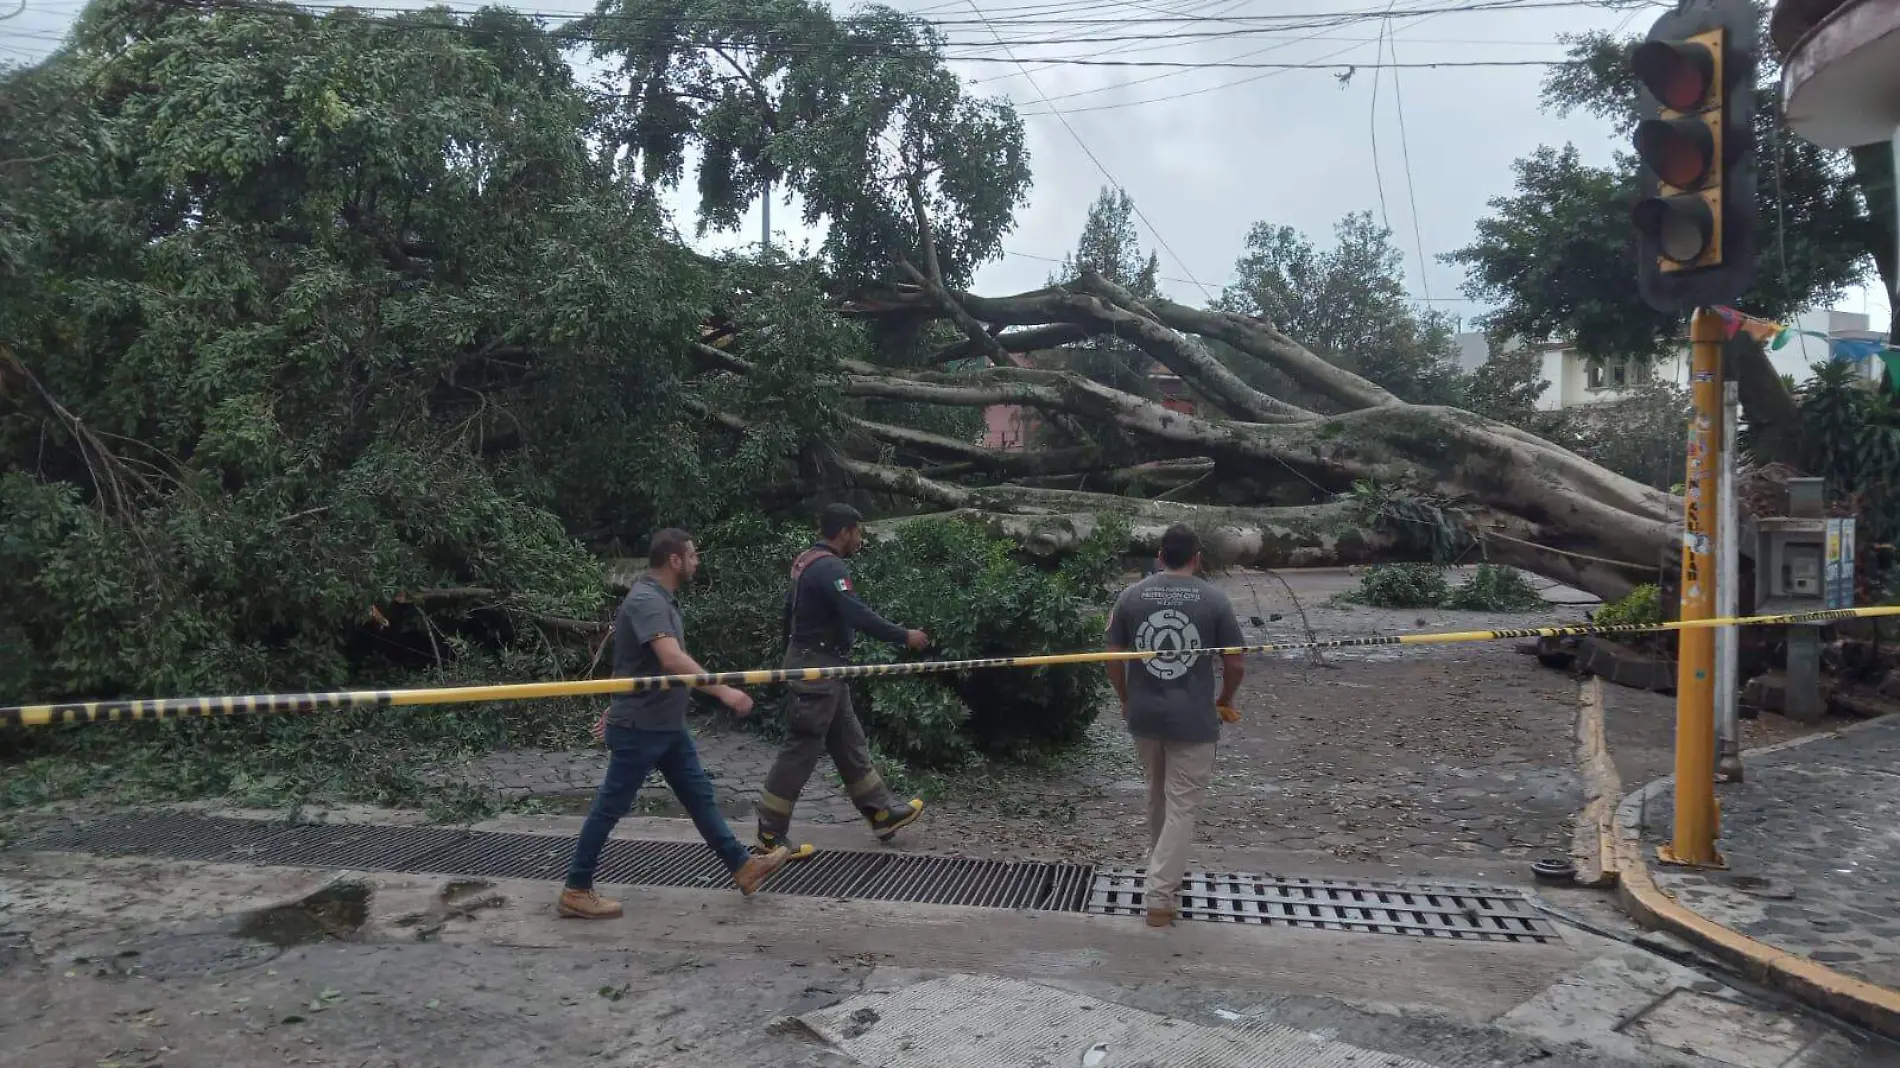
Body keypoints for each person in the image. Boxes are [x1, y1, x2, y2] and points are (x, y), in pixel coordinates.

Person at [557, 527, 791, 920]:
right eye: (694, 555)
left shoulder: (660, 600)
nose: (698, 561)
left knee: (700, 799)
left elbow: (629, 662)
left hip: (664, 725)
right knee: (609, 807)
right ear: (674, 560)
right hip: (643, 728)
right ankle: (576, 888)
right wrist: (724, 691)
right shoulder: (648, 600)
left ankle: (743, 867)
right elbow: (671, 659)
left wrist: (616, 701)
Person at [755, 503, 930, 855]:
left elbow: (786, 614)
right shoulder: (829, 567)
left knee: (848, 742)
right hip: (817, 669)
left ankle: (880, 813)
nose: (860, 539)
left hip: (821, 666)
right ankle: (770, 833)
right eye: (858, 532)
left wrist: (791, 657)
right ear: (845, 531)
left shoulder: (806, 560)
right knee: (801, 748)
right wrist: (903, 635)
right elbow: (856, 613)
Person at [1104, 524, 1246, 929]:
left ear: (1160, 555)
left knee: (1158, 798)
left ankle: (1164, 876)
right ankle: (1161, 894)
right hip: (1193, 718)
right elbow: (1235, 662)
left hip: (1145, 715)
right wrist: (1226, 698)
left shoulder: (1131, 595)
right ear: (1198, 558)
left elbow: (1111, 657)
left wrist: (1125, 698)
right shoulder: (1215, 600)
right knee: (1182, 805)